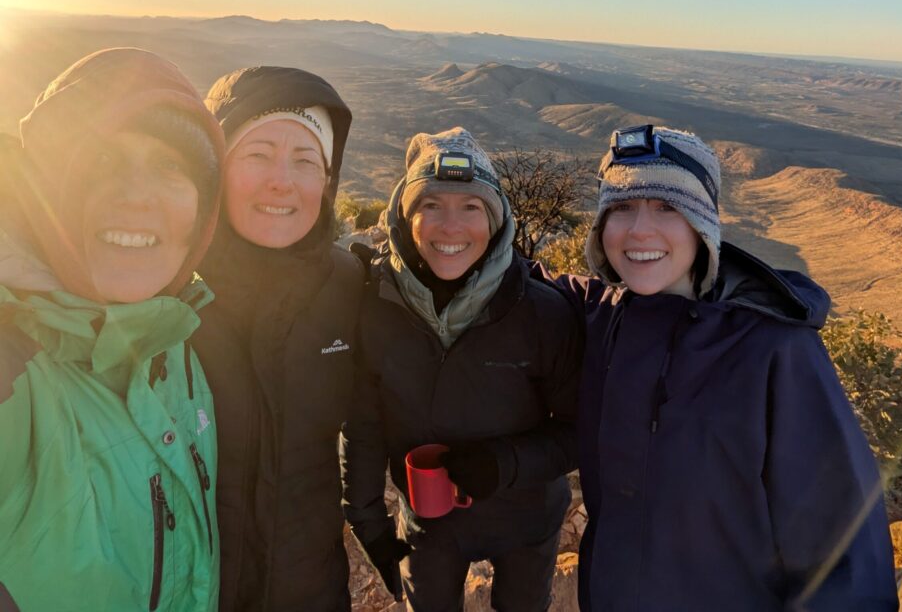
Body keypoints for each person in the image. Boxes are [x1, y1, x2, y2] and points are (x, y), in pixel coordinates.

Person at [545, 124, 898, 611]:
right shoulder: (604, 318)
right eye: (621, 207)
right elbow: (517, 281)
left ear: (702, 225)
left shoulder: (775, 349)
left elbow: (845, 553)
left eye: (667, 207)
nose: (639, 230)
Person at [0, 48, 225, 611]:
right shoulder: (12, 367)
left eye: (171, 165)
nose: (135, 193)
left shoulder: (173, 338)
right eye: (99, 159)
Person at [342, 127, 581, 612]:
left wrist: (504, 464)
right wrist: (369, 521)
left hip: (527, 519)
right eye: (431, 205)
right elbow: (364, 423)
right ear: (403, 217)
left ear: (496, 221)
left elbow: (578, 430)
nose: (450, 227)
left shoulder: (542, 313)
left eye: (471, 207)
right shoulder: (376, 306)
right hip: (429, 523)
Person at [193, 66, 364, 612]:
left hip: (309, 588)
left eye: (307, 161)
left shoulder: (351, 286)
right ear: (216, 168)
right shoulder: (167, 289)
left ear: (327, 183)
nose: (282, 181)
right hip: (189, 590)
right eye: (258, 153)